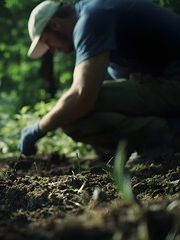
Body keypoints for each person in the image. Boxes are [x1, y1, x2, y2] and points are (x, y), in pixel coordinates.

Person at [18, 0, 180, 159]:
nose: (52, 50)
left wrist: (38, 129)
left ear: (55, 24)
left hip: (174, 84)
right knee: (68, 112)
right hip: (168, 85)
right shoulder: (97, 14)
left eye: (48, 42)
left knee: (69, 117)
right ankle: (159, 136)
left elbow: (82, 96)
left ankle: (171, 134)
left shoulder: (91, 19)